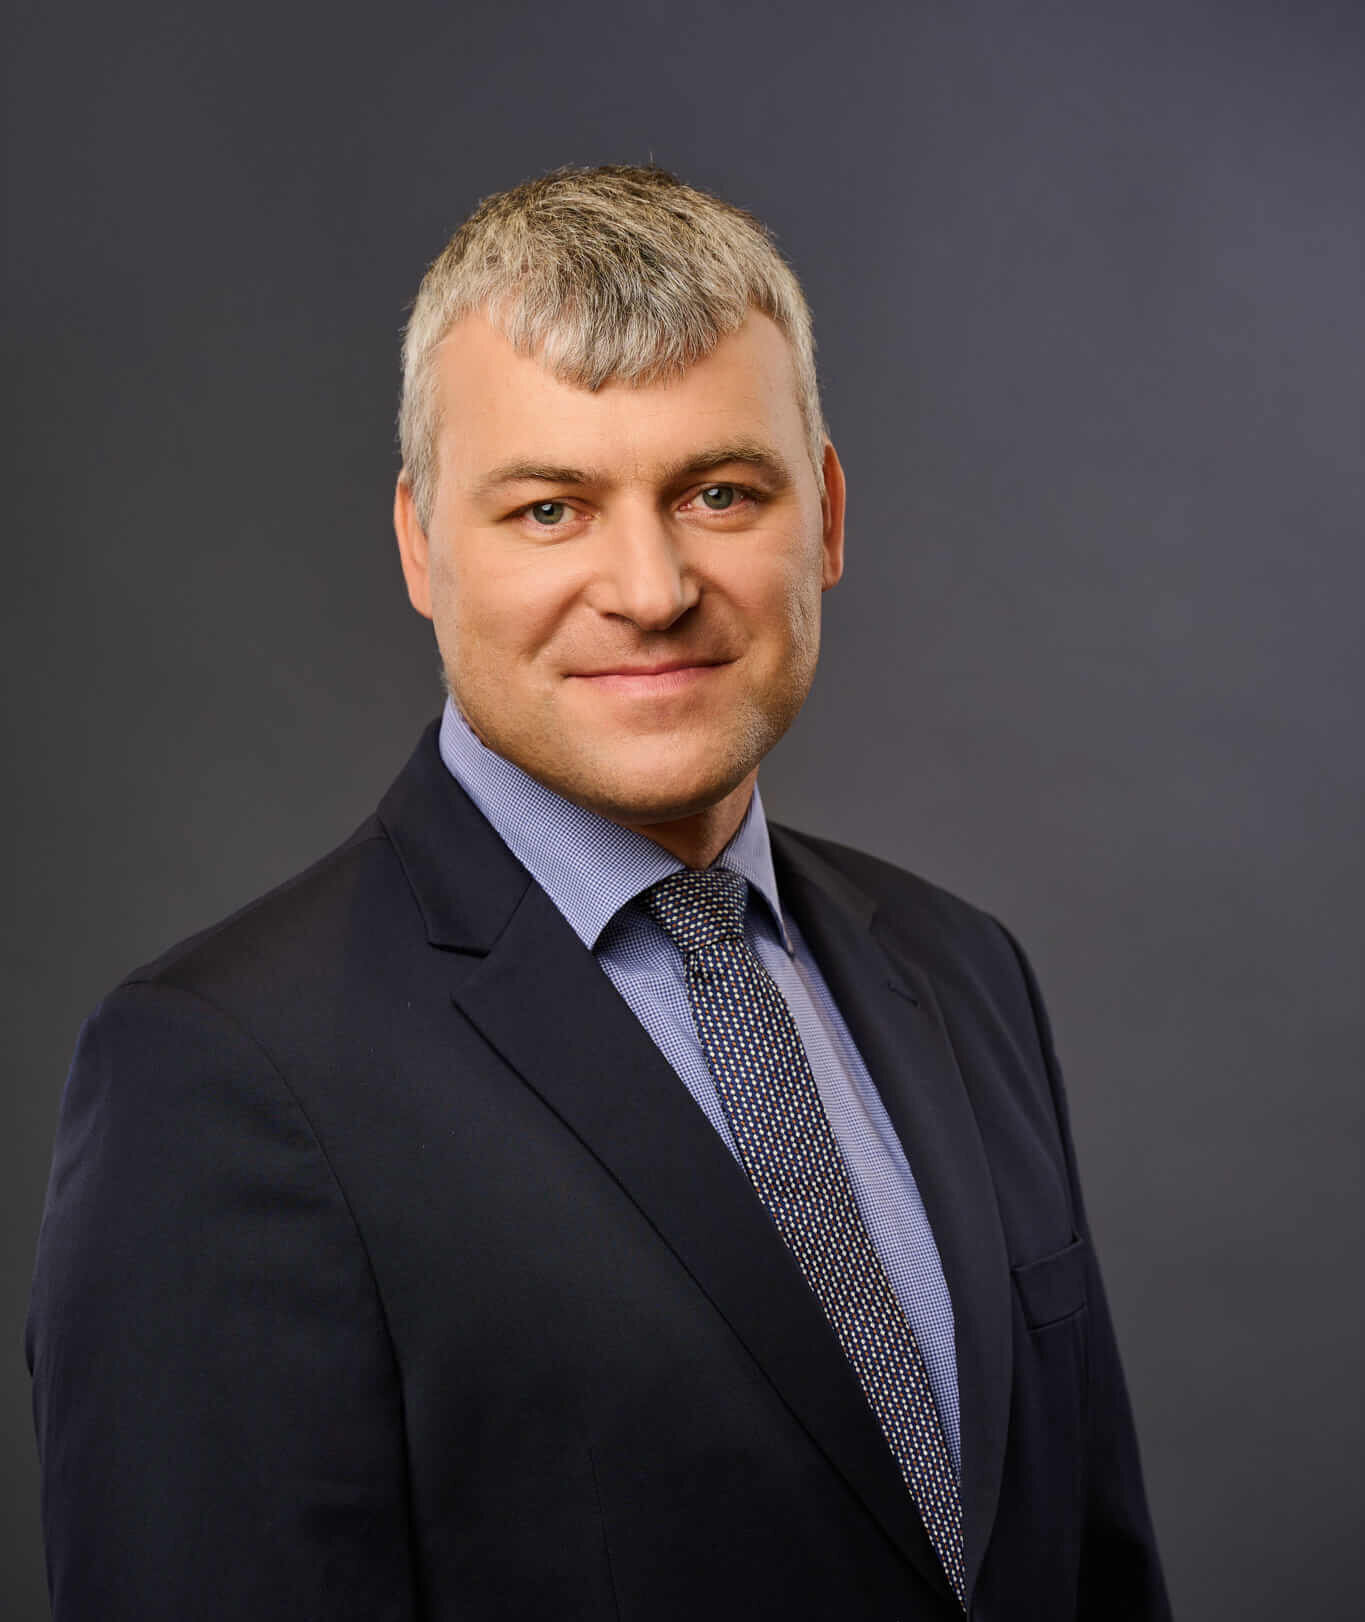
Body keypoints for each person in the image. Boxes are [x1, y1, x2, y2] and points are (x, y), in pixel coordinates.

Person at [27, 165, 1170, 1621]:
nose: (649, 585)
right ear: (420, 545)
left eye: (717, 490)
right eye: (551, 508)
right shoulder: (219, 1073)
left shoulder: (963, 971)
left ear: (821, 513)